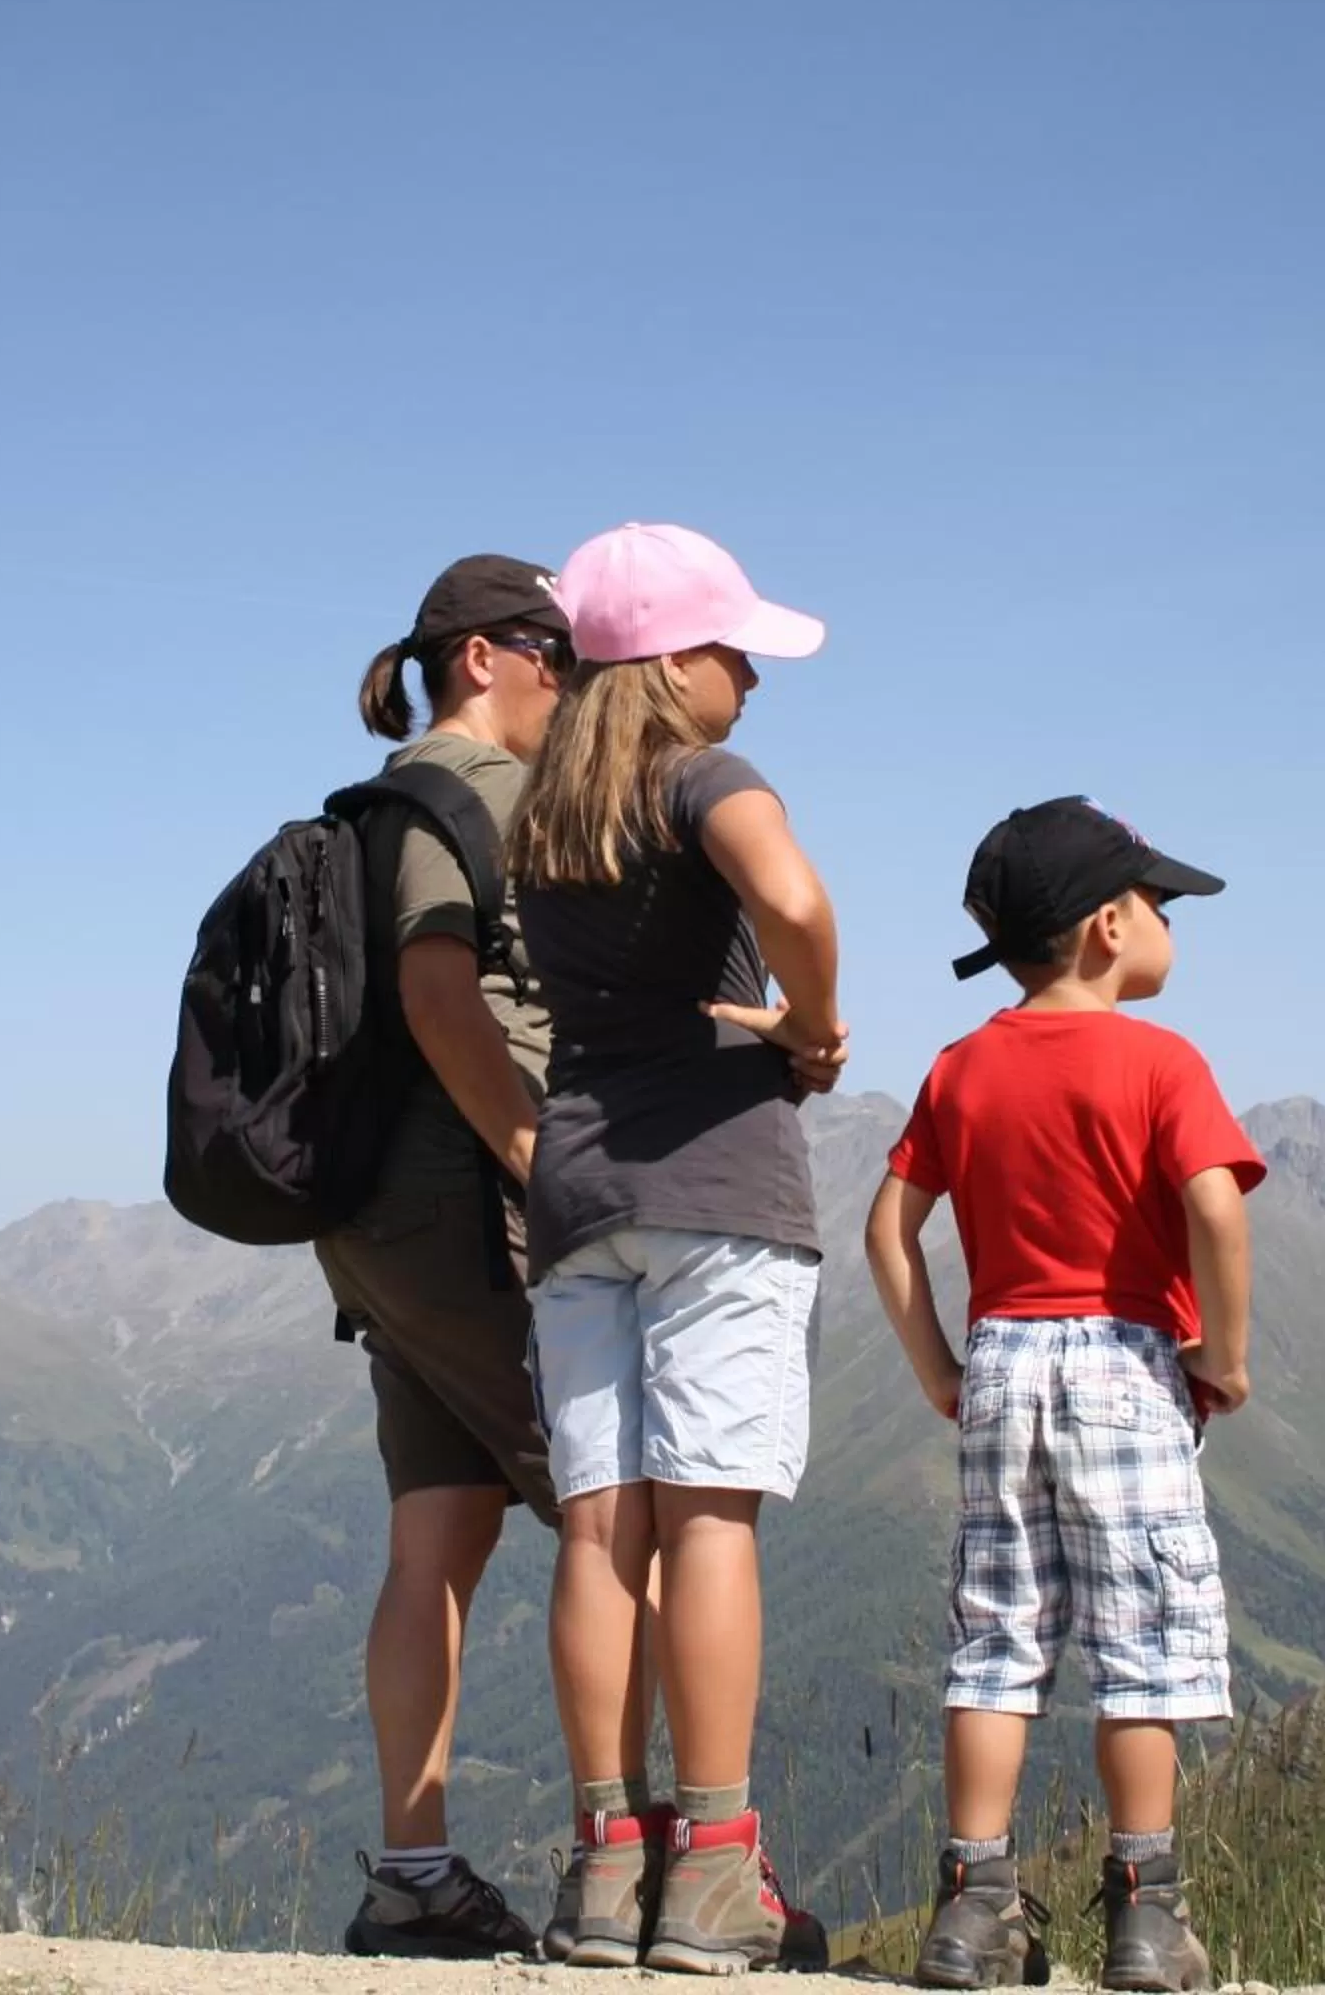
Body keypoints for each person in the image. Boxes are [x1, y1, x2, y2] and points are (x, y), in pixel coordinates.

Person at [510, 521, 846, 1975]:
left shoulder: (544, 816)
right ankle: (713, 1869)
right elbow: (795, 900)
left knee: (600, 1529)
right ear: (666, 662)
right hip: (716, 1187)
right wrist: (812, 1019)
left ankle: (605, 1863)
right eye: (734, 652)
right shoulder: (708, 777)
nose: (753, 682)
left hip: (579, 1196)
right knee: (709, 1522)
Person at [863, 797, 1263, 1993]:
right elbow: (1216, 1206)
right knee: (1140, 1646)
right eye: (1157, 904)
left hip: (999, 1365)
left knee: (997, 1639)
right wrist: (1226, 1354)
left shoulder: (961, 1064)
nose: (1166, 924)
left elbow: (890, 1224)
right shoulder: (1161, 1060)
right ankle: (1147, 1914)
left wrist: (937, 1364)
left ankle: (973, 1904)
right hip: (1125, 1368)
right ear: (1105, 926)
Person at [320, 552, 631, 1959]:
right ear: (483, 658)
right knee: (613, 1515)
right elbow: (443, 993)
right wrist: (533, 1159)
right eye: (554, 654)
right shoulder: (473, 795)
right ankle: (634, 1867)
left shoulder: (370, 810)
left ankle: (413, 1873)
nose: (569, 682)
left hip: (373, 1215)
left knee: (434, 1536)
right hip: (471, 1205)